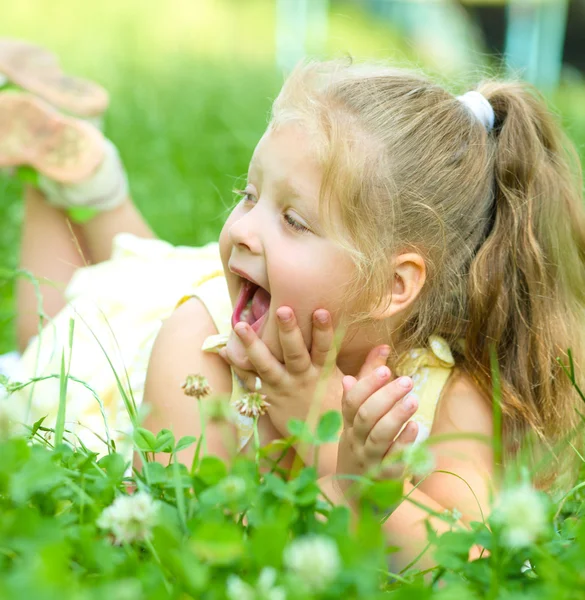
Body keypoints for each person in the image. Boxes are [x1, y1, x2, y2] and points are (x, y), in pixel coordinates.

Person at [3, 40, 585, 570]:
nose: (243, 229)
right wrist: (328, 464)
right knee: (62, 321)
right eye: (248, 195)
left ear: (393, 286)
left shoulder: (443, 389)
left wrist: (355, 476)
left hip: (229, 296)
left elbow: (472, 562)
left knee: (146, 270)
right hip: (138, 341)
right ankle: (54, 176)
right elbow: (189, 537)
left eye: (294, 220)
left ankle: (84, 174)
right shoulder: (195, 351)